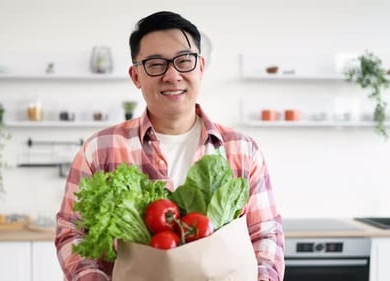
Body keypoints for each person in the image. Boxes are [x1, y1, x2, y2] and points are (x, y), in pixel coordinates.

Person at [55, 10, 285, 281]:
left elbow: (266, 234)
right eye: (155, 64)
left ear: (201, 67)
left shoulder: (243, 151)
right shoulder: (99, 149)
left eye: (184, 61)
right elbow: (73, 233)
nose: (172, 75)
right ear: (136, 76)